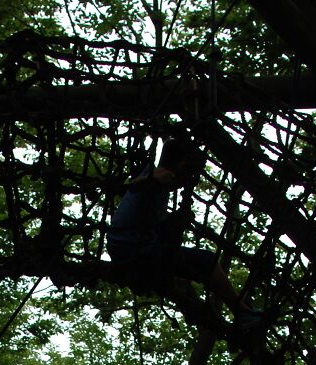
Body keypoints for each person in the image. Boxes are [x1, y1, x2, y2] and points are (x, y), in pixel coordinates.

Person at [107, 126, 263, 331]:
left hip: (130, 247)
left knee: (184, 267)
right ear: (181, 165)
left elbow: (150, 219)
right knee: (207, 261)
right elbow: (133, 185)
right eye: (189, 174)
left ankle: (219, 311)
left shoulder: (154, 178)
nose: (187, 182)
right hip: (135, 251)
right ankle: (242, 312)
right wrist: (153, 179)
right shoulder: (158, 176)